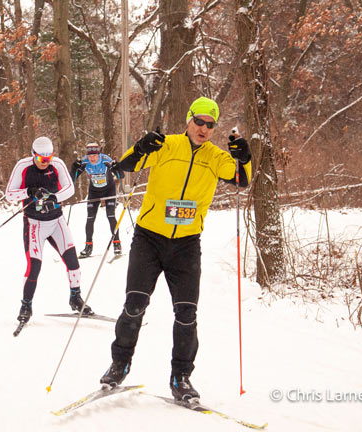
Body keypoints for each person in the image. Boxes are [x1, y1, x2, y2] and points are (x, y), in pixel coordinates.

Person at [99, 97, 252, 402]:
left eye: (211, 124)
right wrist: (142, 146)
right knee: (135, 305)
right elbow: (123, 167)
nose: (204, 128)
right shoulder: (166, 145)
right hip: (149, 239)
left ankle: (180, 377)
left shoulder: (216, 157)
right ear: (188, 119)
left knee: (186, 313)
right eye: (199, 121)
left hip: (185, 245)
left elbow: (242, 180)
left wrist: (244, 156)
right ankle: (119, 364)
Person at [6, 136, 93, 324]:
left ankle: (75, 298)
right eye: (41, 159)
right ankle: (26, 305)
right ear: (33, 155)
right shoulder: (23, 166)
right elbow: (9, 194)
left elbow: (69, 188)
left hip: (56, 221)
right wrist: (29, 192)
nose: (45, 162)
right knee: (34, 267)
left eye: (49, 158)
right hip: (34, 224)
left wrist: (55, 197)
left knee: (73, 261)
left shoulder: (58, 164)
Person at [70, 142, 124, 258]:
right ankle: (88, 246)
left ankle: (117, 244)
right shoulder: (84, 161)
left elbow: (121, 175)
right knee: (90, 218)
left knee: (110, 215)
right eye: (90, 156)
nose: (92, 158)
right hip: (94, 192)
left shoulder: (105, 160)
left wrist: (118, 168)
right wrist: (74, 168)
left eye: (94, 156)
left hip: (109, 189)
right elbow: (73, 177)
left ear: (99, 154)